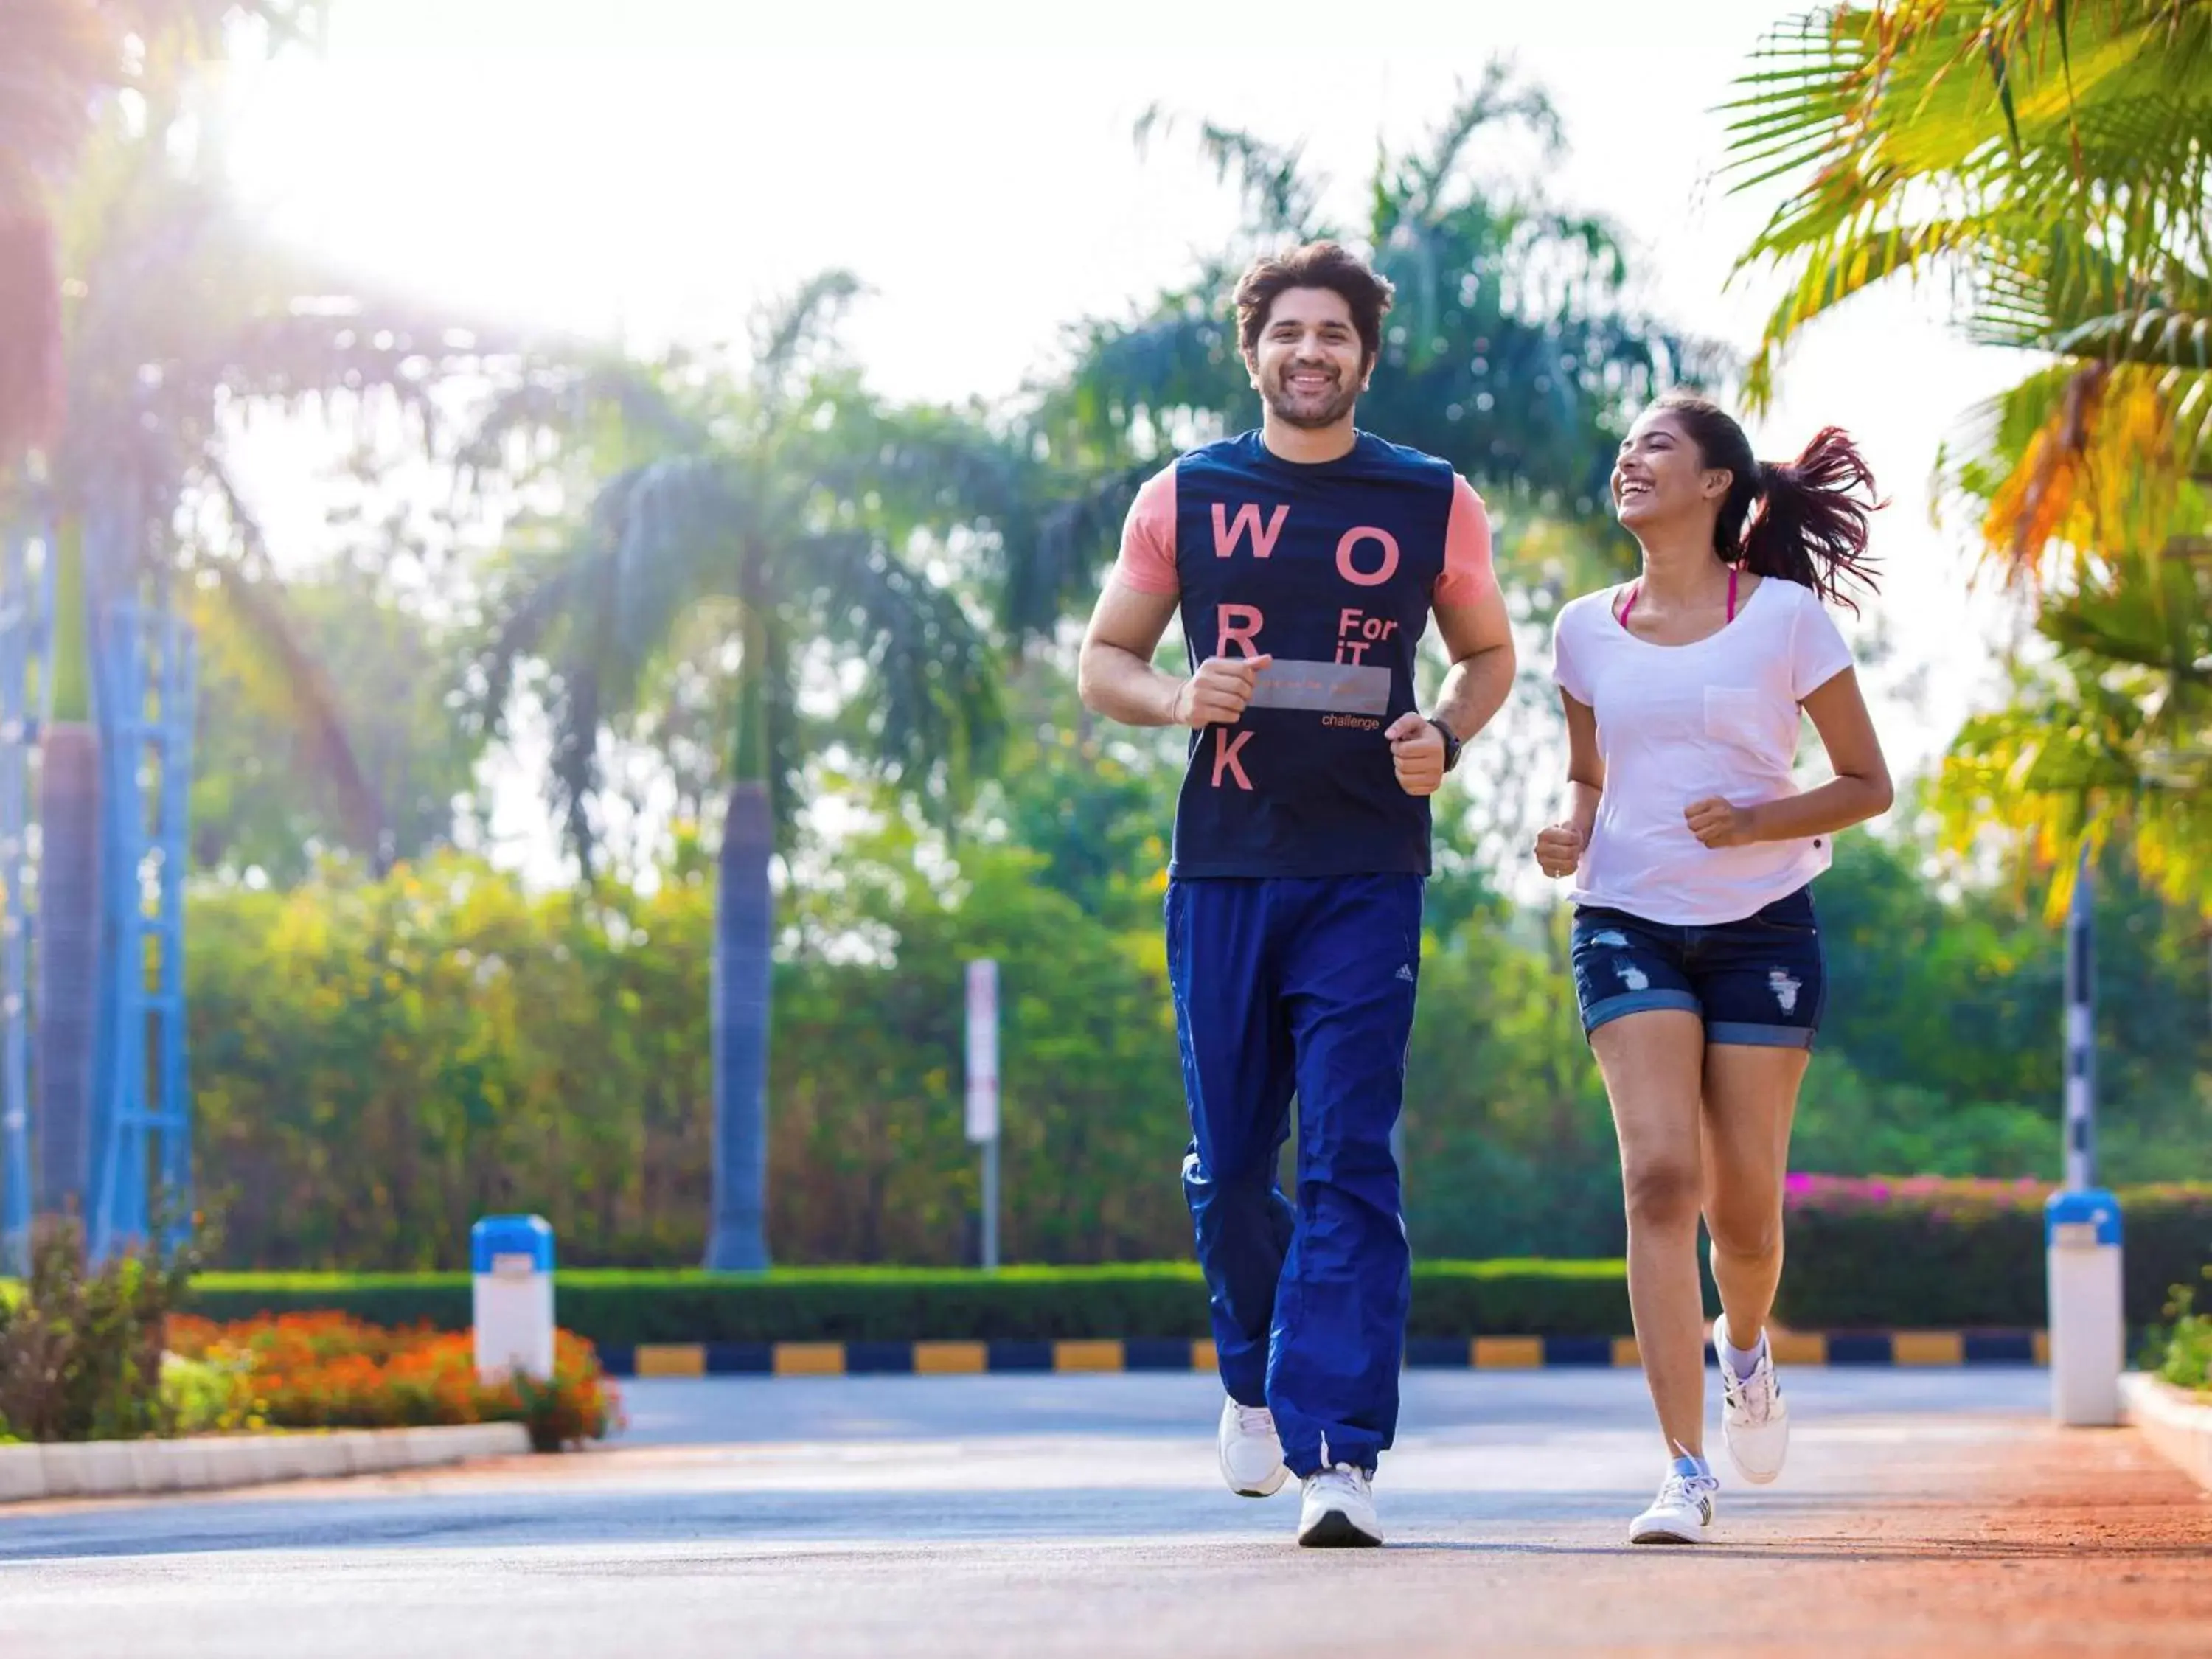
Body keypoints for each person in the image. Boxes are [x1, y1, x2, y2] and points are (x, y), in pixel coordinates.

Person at [1077, 240, 1514, 1548]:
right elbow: (1106, 656)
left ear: (1364, 358)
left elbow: (1487, 657)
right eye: (1288, 332)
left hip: (1368, 871)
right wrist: (1175, 696)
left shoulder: (1434, 499)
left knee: (1350, 1159)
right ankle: (1252, 1374)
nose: (1310, 352)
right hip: (1222, 866)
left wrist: (1447, 729)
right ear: (1254, 351)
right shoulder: (1187, 494)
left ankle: (1343, 1458)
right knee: (1229, 1168)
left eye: (1334, 334)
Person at [1534, 393, 1893, 1545]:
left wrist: (1757, 817)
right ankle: (1684, 1469)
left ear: (1715, 485)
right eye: (1625, 446)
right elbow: (1592, 778)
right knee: (1658, 1181)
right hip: (1625, 915)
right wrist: (1569, 829)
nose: (1629, 460)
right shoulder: (1584, 628)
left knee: (1743, 1212)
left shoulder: (1785, 617)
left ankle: (1747, 1350)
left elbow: (1865, 781)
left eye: (1656, 447)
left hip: (1762, 923)